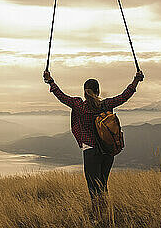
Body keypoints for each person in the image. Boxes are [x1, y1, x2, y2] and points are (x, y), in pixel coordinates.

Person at [42, 69, 144, 222]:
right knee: (103, 185)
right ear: (98, 91)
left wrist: (50, 81)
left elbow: (61, 96)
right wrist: (136, 80)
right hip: (108, 152)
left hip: (90, 152)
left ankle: (96, 219)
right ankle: (105, 216)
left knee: (93, 187)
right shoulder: (106, 105)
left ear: (84, 92)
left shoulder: (79, 105)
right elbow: (125, 96)